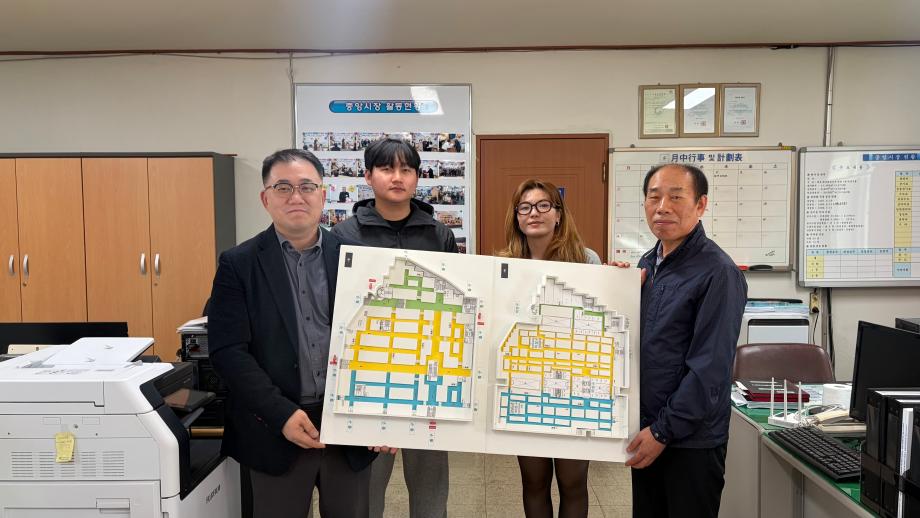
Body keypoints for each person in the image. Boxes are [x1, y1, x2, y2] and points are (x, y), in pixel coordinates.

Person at [208, 149, 393, 518]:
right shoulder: (238, 264)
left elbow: (384, 340)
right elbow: (228, 351)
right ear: (265, 198)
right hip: (275, 429)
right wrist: (280, 414)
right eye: (283, 187)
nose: (296, 196)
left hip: (349, 427)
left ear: (323, 195)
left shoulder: (358, 259)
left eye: (307, 187)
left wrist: (385, 412)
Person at [331, 137, 457, 518]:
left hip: (429, 374)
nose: (397, 177)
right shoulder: (344, 236)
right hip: (367, 377)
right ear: (368, 176)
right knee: (365, 492)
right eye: (387, 168)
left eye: (406, 169)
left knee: (431, 490)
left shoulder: (439, 235)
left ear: (418, 177)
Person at [617, 163, 747, 518]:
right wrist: (617, 290)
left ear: (701, 204)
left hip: (690, 440)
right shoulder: (650, 263)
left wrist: (663, 431)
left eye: (676, 197)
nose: (662, 207)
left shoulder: (719, 272)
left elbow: (710, 370)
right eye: (654, 197)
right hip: (649, 430)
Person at [496, 178, 600, 518]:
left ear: (558, 214)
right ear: (516, 217)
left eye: (543, 205)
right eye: (524, 207)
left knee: (573, 482)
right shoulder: (504, 266)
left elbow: (601, 322)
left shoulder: (586, 261)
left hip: (574, 386)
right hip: (524, 387)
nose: (534, 213)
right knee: (534, 482)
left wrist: (622, 282)